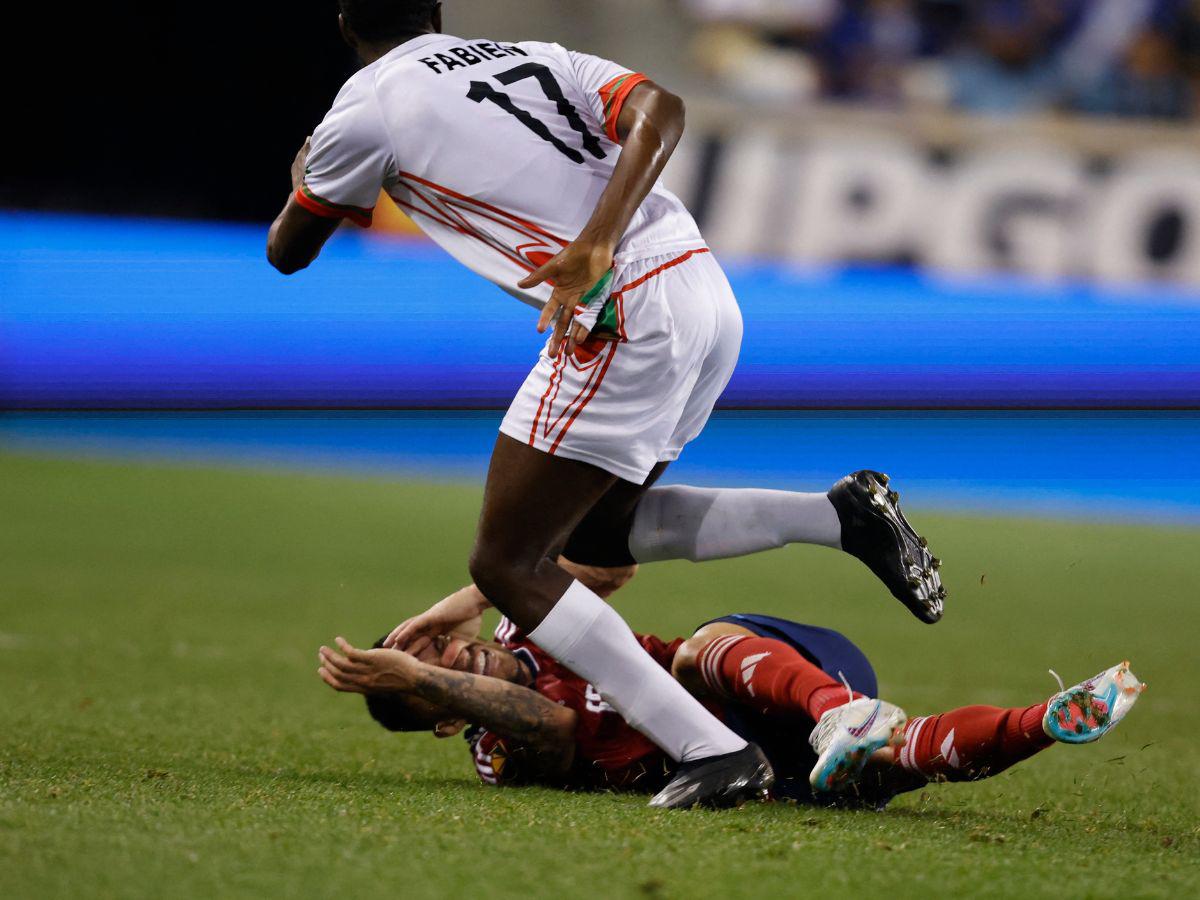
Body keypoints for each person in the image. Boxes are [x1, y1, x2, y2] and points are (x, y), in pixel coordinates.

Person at [269, 0, 944, 808]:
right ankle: (839, 517)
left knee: (505, 563)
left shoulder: (364, 107)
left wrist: (305, 176)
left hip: (619, 309)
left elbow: (288, 249)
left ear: (344, 20)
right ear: (438, 9)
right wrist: (604, 231)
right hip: (702, 287)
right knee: (595, 531)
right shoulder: (533, 55)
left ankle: (715, 751)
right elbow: (665, 108)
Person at [317, 609, 1144, 805]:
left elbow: (606, 570)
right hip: (764, 767)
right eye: (421, 674)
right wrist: (421, 682)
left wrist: (462, 596)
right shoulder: (496, 749)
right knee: (905, 755)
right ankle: (1051, 719)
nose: (438, 655)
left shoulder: (526, 613)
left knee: (693, 652)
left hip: (771, 670)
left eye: (425, 645)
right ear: (446, 715)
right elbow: (556, 728)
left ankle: (834, 710)